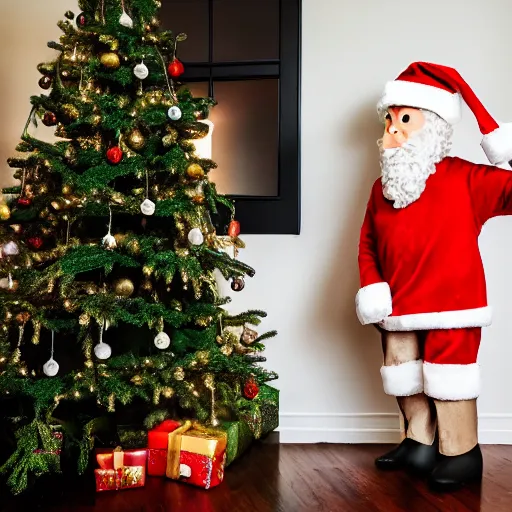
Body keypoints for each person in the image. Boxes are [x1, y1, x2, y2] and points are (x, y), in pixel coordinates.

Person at [356, 62, 512, 491]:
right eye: (390, 119)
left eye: (405, 119)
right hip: (400, 304)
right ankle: (419, 441)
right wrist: (372, 285)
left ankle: (461, 454)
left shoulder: (466, 178)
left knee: (449, 376)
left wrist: (505, 147)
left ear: (434, 125)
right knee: (400, 368)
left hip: (453, 305)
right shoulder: (380, 189)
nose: (393, 130)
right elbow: (367, 242)